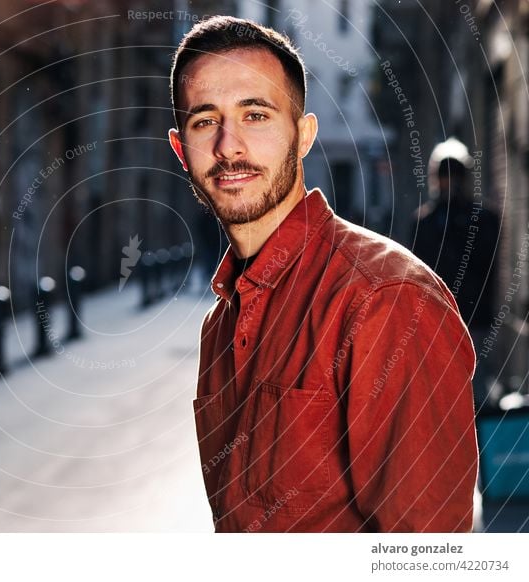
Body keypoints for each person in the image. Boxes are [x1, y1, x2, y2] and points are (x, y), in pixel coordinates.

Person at [167, 16, 478, 532]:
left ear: (304, 135)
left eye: (256, 116)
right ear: (182, 151)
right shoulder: (220, 324)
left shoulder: (385, 300)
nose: (229, 146)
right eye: (205, 121)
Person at [411, 138, 500, 410]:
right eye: (446, 176)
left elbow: (488, 268)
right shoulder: (425, 221)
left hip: (472, 317)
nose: (450, 183)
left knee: (476, 387)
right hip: (437, 319)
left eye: (454, 176)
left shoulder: (482, 219)